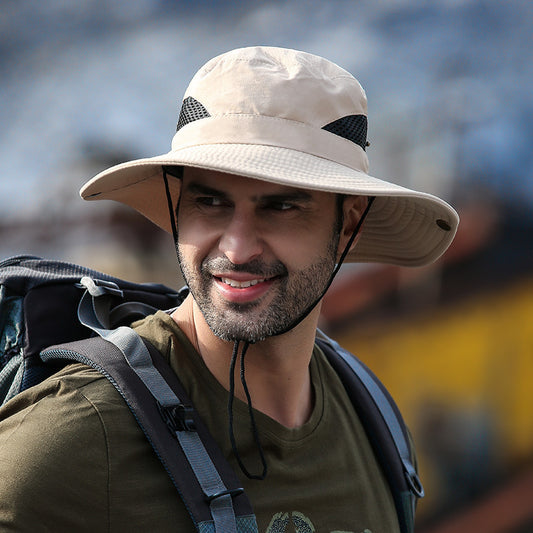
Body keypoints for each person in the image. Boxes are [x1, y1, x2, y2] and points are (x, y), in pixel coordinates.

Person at [0, 46, 458, 532]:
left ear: (348, 225)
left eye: (281, 207)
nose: (237, 250)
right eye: (211, 202)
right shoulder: (77, 436)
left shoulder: (374, 423)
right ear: (177, 210)